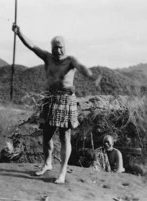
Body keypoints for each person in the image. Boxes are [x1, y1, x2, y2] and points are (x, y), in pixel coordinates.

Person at [12, 24, 102, 183]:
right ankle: (47, 163)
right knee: (46, 135)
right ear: (52, 48)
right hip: (50, 99)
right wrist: (19, 33)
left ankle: (62, 171)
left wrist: (91, 76)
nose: (58, 50)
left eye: (61, 47)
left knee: (64, 135)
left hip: (66, 100)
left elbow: (82, 67)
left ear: (65, 47)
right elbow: (32, 46)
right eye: (55, 48)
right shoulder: (47, 57)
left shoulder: (70, 60)